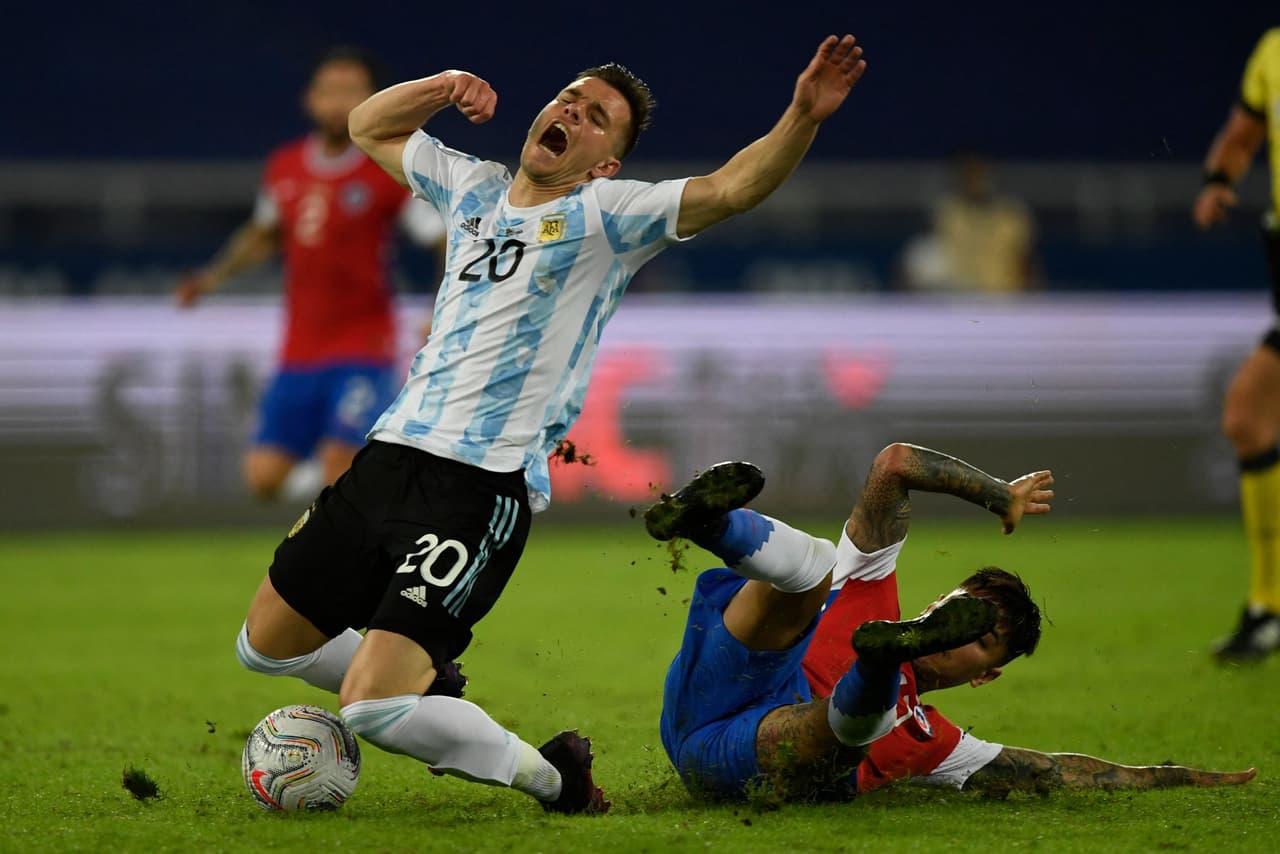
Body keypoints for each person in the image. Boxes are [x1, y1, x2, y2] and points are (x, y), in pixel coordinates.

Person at [232, 36, 869, 814]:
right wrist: (441, 85)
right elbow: (370, 127)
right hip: (384, 462)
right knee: (263, 646)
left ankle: (551, 775)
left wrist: (802, 115)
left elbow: (733, 188)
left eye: (598, 116)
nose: (573, 110)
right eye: (570, 96)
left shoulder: (606, 216)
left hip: (473, 491)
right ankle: (429, 680)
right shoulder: (473, 187)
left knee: (373, 710)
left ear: (605, 162)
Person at [649, 445, 1256, 802]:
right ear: (939, 600)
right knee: (816, 569)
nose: (960, 630)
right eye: (962, 611)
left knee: (847, 728)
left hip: (743, 753)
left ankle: (877, 666)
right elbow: (895, 465)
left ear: (985, 677)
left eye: (981, 638)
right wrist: (999, 495)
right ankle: (708, 524)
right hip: (722, 673)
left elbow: (1057, 771)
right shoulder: (872, 587)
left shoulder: (941, 746)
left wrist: (1174, 776)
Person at [176, 46, 446, 501]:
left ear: (372, 100)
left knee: (341, 464)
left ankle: (339, 548)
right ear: (310, 99)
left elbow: (443, 239)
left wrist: (437, 308)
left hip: (365, 346)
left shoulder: (388, 169)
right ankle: (353, 510)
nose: (338, 102)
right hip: (300, 348)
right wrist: (211, 279)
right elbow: (264, 234)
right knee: (263, 477)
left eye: (351, 92)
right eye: (329, 91)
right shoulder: (285, 165)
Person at [1193, 28, 1280, 662]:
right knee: (1247, 419)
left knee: (1247, 412)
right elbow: (1246, 132)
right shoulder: (1271, 51)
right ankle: (1268, 606)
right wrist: (1219, 177)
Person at [900, 150, 1036, 293]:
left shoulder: (1011, 214)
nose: (973, 181)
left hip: (1003, 298)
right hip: (958, 298)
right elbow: (921, 256)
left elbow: (1026, 263)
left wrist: (1030, 303)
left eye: (977, 174)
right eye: (967, 175)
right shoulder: (947, 212)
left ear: (989, 176)